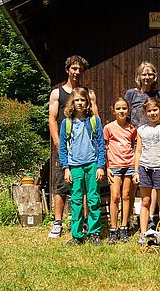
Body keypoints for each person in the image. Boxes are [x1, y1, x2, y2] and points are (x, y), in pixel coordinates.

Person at [48, 55, 99, 239]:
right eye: (74, 68)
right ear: (68, 69)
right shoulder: (57, 93)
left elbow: (95, 119)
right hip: (65, 147)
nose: (77, 72)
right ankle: (57, 222)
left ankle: (86, 222)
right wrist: (57, 143)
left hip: (85, 151)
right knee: (61, 185)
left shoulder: (89, 93)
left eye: (80, 69)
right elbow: (52, 119)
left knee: (85, 188)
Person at [58, 87, 105, 246]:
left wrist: (100, 166)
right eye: (76, 100)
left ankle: (94, 232)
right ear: (72, 102)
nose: (79, 103)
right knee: (77, 201)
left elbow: (101, 144)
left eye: (82, 100)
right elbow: (63, 147)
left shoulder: (94, 120)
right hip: (74, 167)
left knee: (93, 199)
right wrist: (66, 168)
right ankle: (77, 235)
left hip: (92, 164)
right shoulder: (67, 123)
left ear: (87, 102)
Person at [133, 98, 160, 245]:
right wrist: (136, 171)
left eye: (155, 110)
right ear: (145, 113)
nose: (152, 113)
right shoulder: (141, 130)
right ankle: (143, 234)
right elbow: (138, 151)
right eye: (149, 111)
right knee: (145, 201)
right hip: (144, 168)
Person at [103, 97, 137, 244]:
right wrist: (107, 167)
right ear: (113, 111)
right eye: (118, 108)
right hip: (115, 166)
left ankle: (124, 227)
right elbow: (104, 149)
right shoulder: (108, 128)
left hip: (129, 165)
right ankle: (113, 229)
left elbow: (135, 147)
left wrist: (135, 167)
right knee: (115, 196)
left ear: (128, 110)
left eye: (124, 108)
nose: (121, 111)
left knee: (126, 196)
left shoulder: (132, 128)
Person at [125, 61, 160, 126]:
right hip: (136, 133)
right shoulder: (131, 93)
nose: (147, 77)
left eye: (150, 74)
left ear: (154, 76)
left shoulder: (158, 94)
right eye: (144, 75)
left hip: (155, 133)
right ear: (139, 76)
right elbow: (125, 115)